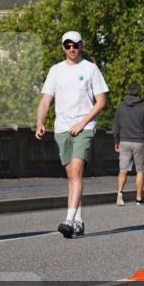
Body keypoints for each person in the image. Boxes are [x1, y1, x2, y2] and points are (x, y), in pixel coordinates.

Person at [35, 31, 108, 238]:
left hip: (84, 127)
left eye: (75, 45)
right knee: (71, 177)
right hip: (61, 128)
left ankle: (68, 220)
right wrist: (40, 121)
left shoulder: (90, 68)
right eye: (67, 45)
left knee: (76, 173)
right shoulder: (55, 71)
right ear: (63, 47)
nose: (72, 49)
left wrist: (83, 122)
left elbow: (101, 102)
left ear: (81, 45)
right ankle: (78, 220)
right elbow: (45, 100)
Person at [112, 82, 144, 206]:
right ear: (139, 93)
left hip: (124, 141)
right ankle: (138, 198)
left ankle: (120, 194)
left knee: (123, 170)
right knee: (140, 171)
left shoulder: (121, 107)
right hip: (139, 141)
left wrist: (116, 141)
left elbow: (116, 126)